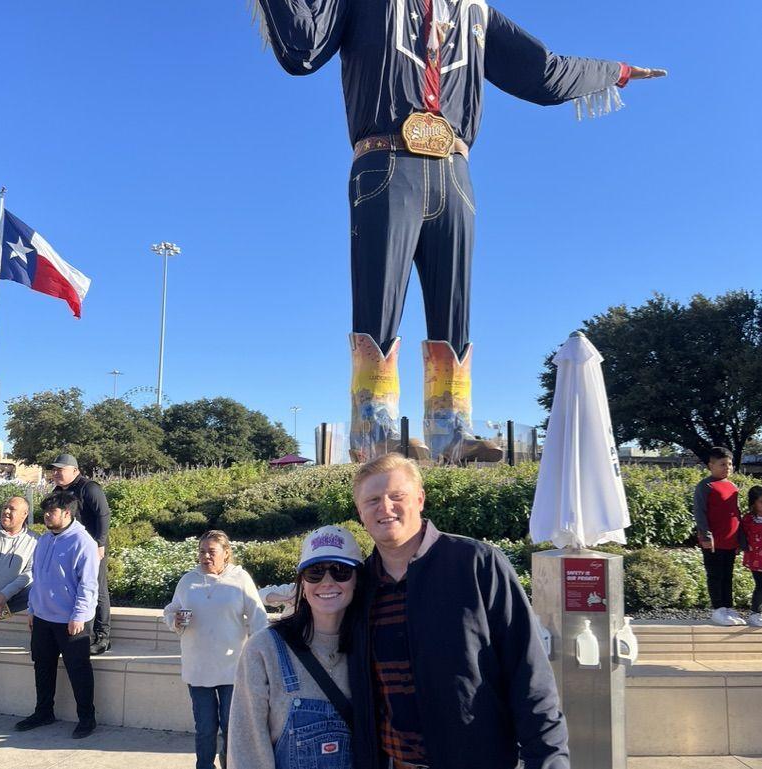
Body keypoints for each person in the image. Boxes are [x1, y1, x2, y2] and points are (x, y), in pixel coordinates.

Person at [250, 0, 665, 463]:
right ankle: (373, 427)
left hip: (456, 170)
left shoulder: (477, 12)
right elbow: (303, 47)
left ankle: (451, 430)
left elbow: (543, 72)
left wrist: (618, 71)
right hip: (386, 158)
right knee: (378, 301)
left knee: (454, 309)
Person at [348, 453, 568, 769]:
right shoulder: (360, 587)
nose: (385, 507)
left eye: (397, 496)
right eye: (372, 500)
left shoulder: (477, 564)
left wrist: (549, 761)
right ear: (360, 512)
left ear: (420, 499)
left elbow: (529, 671)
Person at [228, 525, 364, 769]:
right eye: (315, 572)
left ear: (358, 579)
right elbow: (247, 750)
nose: (327, 581)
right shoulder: (264, 649)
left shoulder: (373, 648)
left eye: (341, 571)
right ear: (302, 582)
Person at [164, 530, 267, 769]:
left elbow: (259, 620)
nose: (205, 556)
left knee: (232, 728)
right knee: (205, 729)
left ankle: (231, 765)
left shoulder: (240, 579)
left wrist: (259, 657)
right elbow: (170, 611)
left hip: (233, 669)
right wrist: (175, 620)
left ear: (226, 554)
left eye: (212, 552)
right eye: (202, 551)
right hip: (198, 669)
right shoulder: (188, 581)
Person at [16, 491, 99, 738]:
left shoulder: (83, 542)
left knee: (78, 670)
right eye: (45, 512)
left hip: (71, 621)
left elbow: (88, 584)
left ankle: (87, 718)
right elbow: (37, 578)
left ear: (67, 513)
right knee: (42, 667)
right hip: (42, 618)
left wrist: (80, 616)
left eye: (51, 513)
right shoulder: (44, 540)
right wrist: (32, 609)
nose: (46, 517)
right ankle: (44, 712)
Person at [51, 453, 112, 654]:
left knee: (97, 588)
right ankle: (81, 635)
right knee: (74, 588)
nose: (56, 473)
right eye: (55, 469)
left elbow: (103, 514)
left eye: (61, 469)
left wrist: (100, 544)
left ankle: (102, 636)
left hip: (93, 546)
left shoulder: (89, 488)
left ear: (75, 471)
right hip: (70, 547)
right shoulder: (58, 491)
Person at [693, 446, 744, 626]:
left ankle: (728, 607)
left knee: (727, 575)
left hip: (731, 540)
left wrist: (740, 538)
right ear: (710, 465)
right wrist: (706, 536)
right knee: (715, 574)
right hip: (713, 540)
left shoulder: (732, 486)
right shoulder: (705, 486)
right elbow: (700, 512)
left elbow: (735, 513)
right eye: (722, 464)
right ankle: (718, 609)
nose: (727, 468)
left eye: (730, 464)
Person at [0, 496, 39, 624]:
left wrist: (3, 595)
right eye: (5, 507)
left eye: (11, 509)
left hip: (6, 600)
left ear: (24, 514)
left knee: (35, 587)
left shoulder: (35, 540)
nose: (6, 511)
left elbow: (30, 572)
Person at [739, 486, 762, 628]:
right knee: (760, 585)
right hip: (756, 559)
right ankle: (755, 613)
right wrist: (744, 548)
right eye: (761, 501)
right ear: (753, 503)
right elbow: (742, 536)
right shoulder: (748, 519)